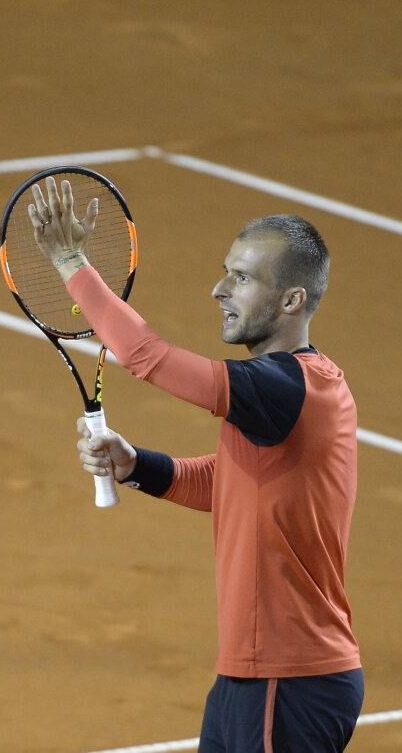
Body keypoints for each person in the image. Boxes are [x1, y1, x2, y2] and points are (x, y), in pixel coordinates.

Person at [29, 178, 364, 753]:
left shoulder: (285, 386)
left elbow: (146, 356)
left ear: (291, 301)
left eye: (243, 278)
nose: (219, 289)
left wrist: (70, 261)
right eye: (226, 272)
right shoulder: (292, 388)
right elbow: (231, 481)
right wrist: (136, 465)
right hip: (252, 677)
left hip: (288, 679)